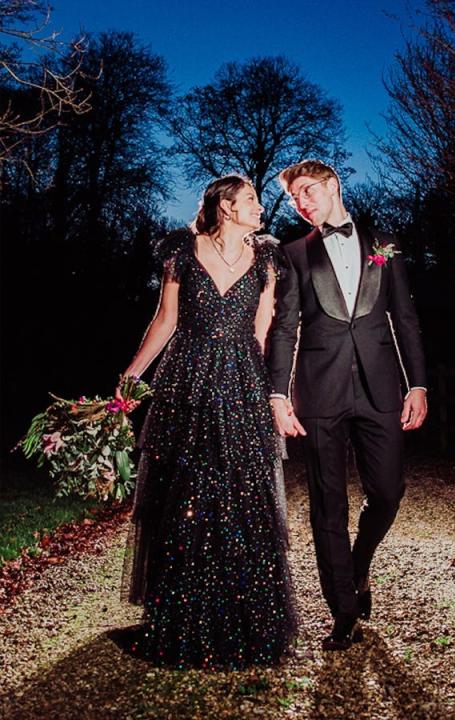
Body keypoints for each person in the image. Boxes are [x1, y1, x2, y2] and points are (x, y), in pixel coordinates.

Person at [118, 175, 298, 669]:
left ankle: (240, 617)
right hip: (188, 382)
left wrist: (271, 396)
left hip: (241, 382)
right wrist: (133, 373)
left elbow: (263, 332)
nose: (261, 209)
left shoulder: (267, 259)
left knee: (240, 496)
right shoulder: (181, 250)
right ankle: (183, 616)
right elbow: (165, 321)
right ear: (225, 206)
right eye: (252, 201)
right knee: (188, 495)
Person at [266, 160, 427, 651]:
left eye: (308, 191)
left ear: (333, 185)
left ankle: (358, 567)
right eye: (295, 198)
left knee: (388, 491)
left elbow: (404, 315)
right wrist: (277, 392)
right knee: (326, 504)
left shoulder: (384, 241)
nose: (302, 202)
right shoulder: (294, 254)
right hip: (319, 391)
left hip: (381, 387)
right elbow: (284, 326)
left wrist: (418, 385)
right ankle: (343, 611)